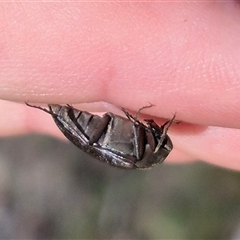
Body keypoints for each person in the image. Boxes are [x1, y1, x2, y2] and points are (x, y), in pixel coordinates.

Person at [0, 2, 239, 170]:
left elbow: (100, 138)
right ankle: (48, 107)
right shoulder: (141, 152)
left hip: (92, 134)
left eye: (160, 133)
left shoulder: (138, 154)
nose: (157, 128)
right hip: (92, 133)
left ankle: (49, 107)